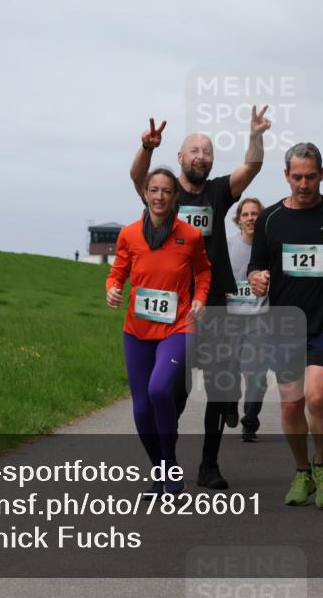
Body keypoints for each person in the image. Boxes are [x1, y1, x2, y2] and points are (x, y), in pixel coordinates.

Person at [129, 107, 270, 490]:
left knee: (219, 385)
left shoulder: (218, 191)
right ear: (180, 157)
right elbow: (139, 178)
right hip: (173, 303)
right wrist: (146, 148)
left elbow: (251, 169)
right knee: (173, 389)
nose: (201, 157)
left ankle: (209, 464)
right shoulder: (166, 192)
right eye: (194, 150)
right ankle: (167, 463)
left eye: (207, 152)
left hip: (215, 304)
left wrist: (255, 136)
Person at [248, 142, 323, 508]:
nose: (304, 184)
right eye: (297, 177)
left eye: (310, 177)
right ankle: (302, 472)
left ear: (322, 174)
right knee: (290, 405)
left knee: (317, 396)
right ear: (286, 176)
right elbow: (255, 267)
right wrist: (256, 279)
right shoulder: (269, 219)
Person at [106, 168, 212, 496]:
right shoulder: (130, 234)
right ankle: (163, 469)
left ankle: (168, 460)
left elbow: (204, 271)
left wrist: (199, 299)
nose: (160, 196)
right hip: (136, 331)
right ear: (145, 194)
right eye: (154, 190)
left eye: (167, 191)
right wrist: (112, 288)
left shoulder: (189, 236)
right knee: (140, 410)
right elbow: (118, 270)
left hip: (178, 327)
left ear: (175, 196)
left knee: (160, 390)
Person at [225, 198, 269, 442]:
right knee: (229, 371)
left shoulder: (270, 247)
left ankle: (250, 421)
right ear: (238, 219)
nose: (251, 218)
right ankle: (231, 401)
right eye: (246, 214)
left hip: (260, 318)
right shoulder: (228, 245)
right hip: (230, 319)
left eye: (256, 214)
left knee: (256, 374)